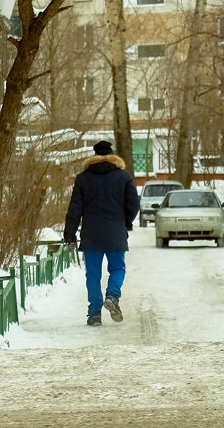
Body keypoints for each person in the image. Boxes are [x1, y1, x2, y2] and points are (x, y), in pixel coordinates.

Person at [63, 140, 141, 326]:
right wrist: (126, 222)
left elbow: (75, 209)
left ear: (94, 156)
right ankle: (112, 296)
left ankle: (94, 314)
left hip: (91, 234)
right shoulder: (123, 177)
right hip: (116, 232)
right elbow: (134, 204)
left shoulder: (83, 178)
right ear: (112, 155)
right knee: (117, 269)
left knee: (93, 275)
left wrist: (69, 234)